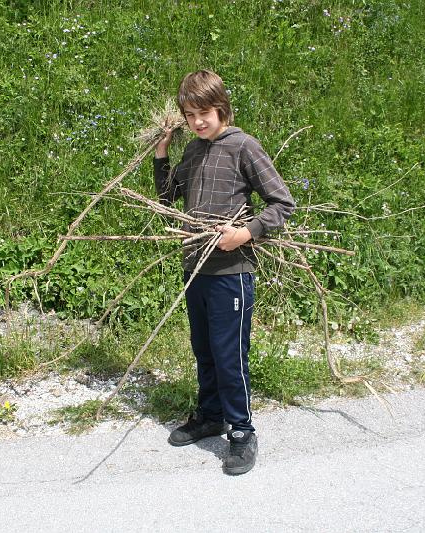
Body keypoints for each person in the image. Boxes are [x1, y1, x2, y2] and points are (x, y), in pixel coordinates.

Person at [153, 69, 295, 475]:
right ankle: (211, 416)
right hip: (195, 267)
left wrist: (245, 233)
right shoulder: (193, 150)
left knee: (229, 355)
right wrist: (162, 154)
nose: (198, 121)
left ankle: (242, 432)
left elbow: (282, 203)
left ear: (222, 109)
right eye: (190, 115)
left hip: (231, 272)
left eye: (204, 113)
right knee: (204, 349)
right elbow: (168, 197)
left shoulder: (244, 146)